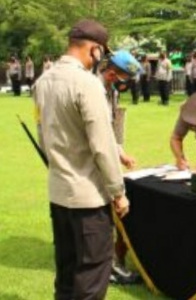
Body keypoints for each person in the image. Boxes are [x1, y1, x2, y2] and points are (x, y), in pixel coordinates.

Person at [33, 19, 130, 299]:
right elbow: (102, 145)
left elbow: (43, 138)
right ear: (95, 50)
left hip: (59, 192)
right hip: (88, 199)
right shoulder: (87, 84)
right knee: (90, 276)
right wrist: (118, 192)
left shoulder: (43, 81)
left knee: (66, 274)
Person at [95, 50, 142, 284]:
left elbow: (110, 129)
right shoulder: (93, 90)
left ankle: (107, 263)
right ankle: (110, 268)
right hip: (94, 162)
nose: (126, 85)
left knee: (103, 218)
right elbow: (99, 137)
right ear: (113, 73)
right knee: (102, 218)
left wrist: (120, 152)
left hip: (105, 153)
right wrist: (117, 190)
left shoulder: (108, 90)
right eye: (125, 79)